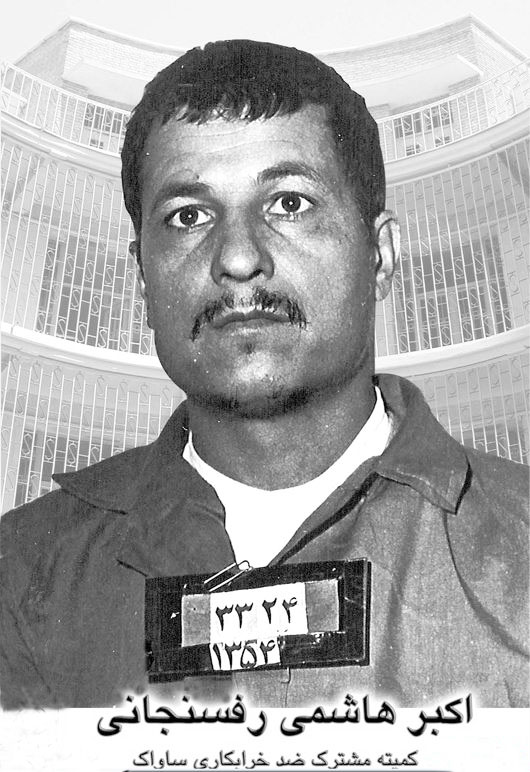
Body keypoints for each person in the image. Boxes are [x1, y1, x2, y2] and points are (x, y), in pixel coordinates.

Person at [1, 40, 528, 711]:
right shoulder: (18, 576)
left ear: (381, 255)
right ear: (143, 279)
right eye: (189, 216)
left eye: (290, 203)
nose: (238, 257)